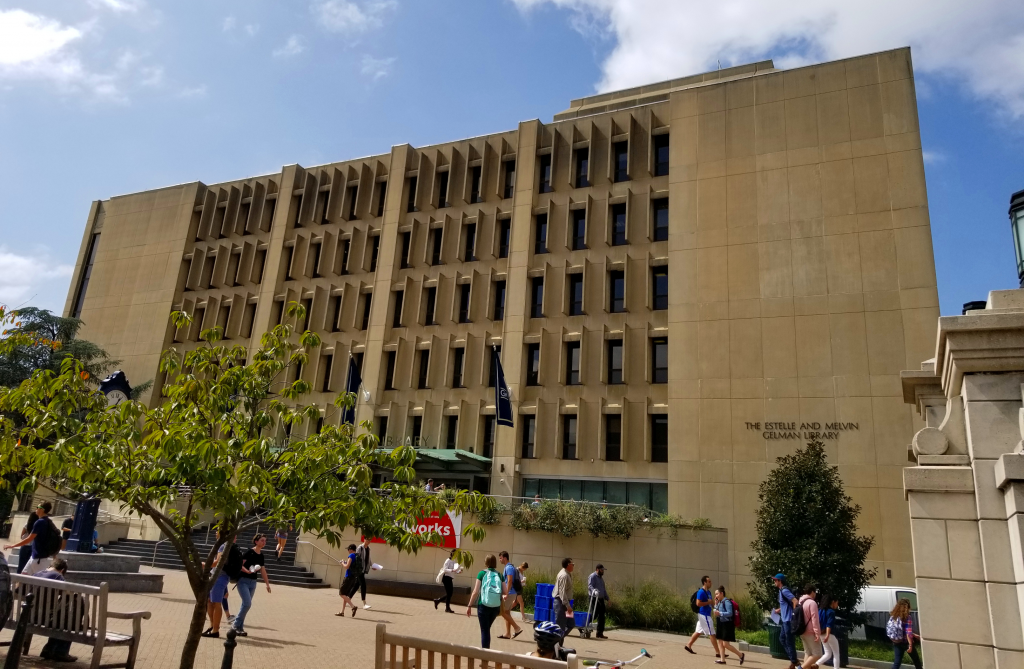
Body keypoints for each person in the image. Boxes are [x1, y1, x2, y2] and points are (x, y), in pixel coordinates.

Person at [33, 558, 78, 663]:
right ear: (62, 570)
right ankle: (60, 652)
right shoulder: (58, 576)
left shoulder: (37, 574)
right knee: (69, 619)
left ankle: (49, 649)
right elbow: (69, 593)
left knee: (61, 618)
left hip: (29, 616)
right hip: (44, 618)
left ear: (50, 566)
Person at [231, 533, 271, 636]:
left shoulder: (261, 555)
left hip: (253, 582)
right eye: (262, 540)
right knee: (247, 604)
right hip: (243, 580)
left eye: (265, 541)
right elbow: (240, 564)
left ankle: (239, 628)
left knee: (245, 605)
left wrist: (267, 584)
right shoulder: (249, 552)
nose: (264, 542)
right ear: (256, 541)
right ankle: (235, 625)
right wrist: (247, 571)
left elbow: (262, 569)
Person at [4, 501, 57, 575]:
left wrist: (12, 546)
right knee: (22, 576)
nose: (36, 509)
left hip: (39, 559)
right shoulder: (47, 521)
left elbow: (29, 539)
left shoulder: (40, 522)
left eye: (38, 507)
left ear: (42, 509)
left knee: (38, 581)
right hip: (35, 557)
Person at [466, 553, 505, 648]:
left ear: (486, 562)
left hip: (483, 605)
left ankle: (485, 655)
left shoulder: (482, 573)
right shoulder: (499, 575)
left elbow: (475, 592)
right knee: (487, 629)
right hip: (495, 606)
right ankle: (486, 652)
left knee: (485, 630)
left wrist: (469, 605)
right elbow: (505, 591)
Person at [684, 575, 721, 661]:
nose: (710, 583)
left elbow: (711, 603)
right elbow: (698, 603)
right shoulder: (701, 592)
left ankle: (688, 645)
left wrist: (714, 604)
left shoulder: (709, 592)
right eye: (709, 581)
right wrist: (707, 602)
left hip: (706, 614)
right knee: (712, 633)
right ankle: (718, 652)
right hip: (704, 615)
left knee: (698, 631)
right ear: (705, 582)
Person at [773, 574, 800, 669]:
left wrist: (793, 614)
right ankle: (794, 661)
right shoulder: (781, 591)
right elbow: (786, 604)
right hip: (785, 620)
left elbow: (795, 601)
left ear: (780, 581)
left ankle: (795, 662)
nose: (774, 582)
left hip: (788, 620)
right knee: (782, 639)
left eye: (776, 580)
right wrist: (779, 610)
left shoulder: (784, 590)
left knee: (789, 642)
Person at [713, 586, 745, 665]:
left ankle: (740, 655)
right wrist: (715, 605)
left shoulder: (727, 602)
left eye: (717, 594)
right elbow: (717, 610)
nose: (716, 596)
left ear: (721, 593)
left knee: (725, 644)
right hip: (721, 623)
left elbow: (730, 613)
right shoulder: (720, 602)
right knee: (720, 642)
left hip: (727, 624)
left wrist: (720, 613)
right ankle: (722, 659)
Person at [887, 598, 922, 669]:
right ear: (907, 607)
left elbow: (901, 629)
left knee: (897, 663)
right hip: (906, 643)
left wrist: (914, 635)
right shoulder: (907, 617)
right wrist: (910, 646)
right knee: (916, 661)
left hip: (897, 642)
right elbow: (908, 632)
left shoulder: (894, 616)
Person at [497, 551, 523, 639]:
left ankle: (517, 628)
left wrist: (506, 593)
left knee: (501, 611)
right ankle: (507, 633)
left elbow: (510, 580)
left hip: (510, 593)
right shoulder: (508, 567)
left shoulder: (508, 568)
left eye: (500, 558)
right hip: (511, 593)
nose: (499, 560)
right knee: (507, 612)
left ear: (504, 558)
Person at [798, 585, 822, 669]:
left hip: (801, 630)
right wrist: (817, 633)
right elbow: (814, 619)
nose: (815, 594)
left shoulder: (800, 602)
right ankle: (800, 668)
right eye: (815, 592)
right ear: (812, 592)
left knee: (808, 653)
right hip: (810, 631)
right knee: (817, 654)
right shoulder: (812, 603)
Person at [553, 557, 575, 639]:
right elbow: (562, 592)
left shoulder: (567, 573)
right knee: (560, 627)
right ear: (568, 565)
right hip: (561, 604)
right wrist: (568, 606)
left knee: (571, 624)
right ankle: (557, 644)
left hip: (566, 603)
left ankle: (558, 640)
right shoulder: (564, 575)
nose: (573, 566)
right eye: (572, 564)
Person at [337, 543, 361, 617]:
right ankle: (342, 612)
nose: (348, 551)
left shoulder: (351, 555)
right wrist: (345, 562)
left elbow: (347, 566)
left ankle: (353, 607)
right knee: (346, 595)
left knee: (341, 593)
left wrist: (342, 563)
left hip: (348, 577)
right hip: (354, 577)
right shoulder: (357, 556)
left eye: (348, 549)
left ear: (350, 549)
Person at [816, 593, 840, 669]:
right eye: (837, 603)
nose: (837, 605)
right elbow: (829, 624)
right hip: (829, 635)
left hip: (821, 634)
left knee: (827, 653)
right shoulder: (831, 612)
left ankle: (816, 664)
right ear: (833, 602)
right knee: (836, 654)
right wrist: (827, 635)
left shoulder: (820, 610)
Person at [587, 564, 610, 639]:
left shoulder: (601, 579)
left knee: (602, 616)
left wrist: (607, 598)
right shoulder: (592, 576)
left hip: (601, 599)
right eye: (601, 570)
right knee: (595, 613)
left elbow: (603, 590)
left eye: (603, 570)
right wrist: (594, 591)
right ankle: (585, 624)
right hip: (594, 597)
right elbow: (590, 586)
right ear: (597, 569)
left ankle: (599, 633)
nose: (603, 571)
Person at [356, 535, 372, 609]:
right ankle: (364, 603)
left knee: (356, 585)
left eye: (369, 540)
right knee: (363, 585)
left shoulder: (368, 549)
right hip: (359, 570)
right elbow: (356, 558)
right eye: (367, 540)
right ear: (364, 539)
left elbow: (369, 559)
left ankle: (347, 598)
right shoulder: (360, 548)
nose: (368, 542)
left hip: (364, 569)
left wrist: (372, 565)